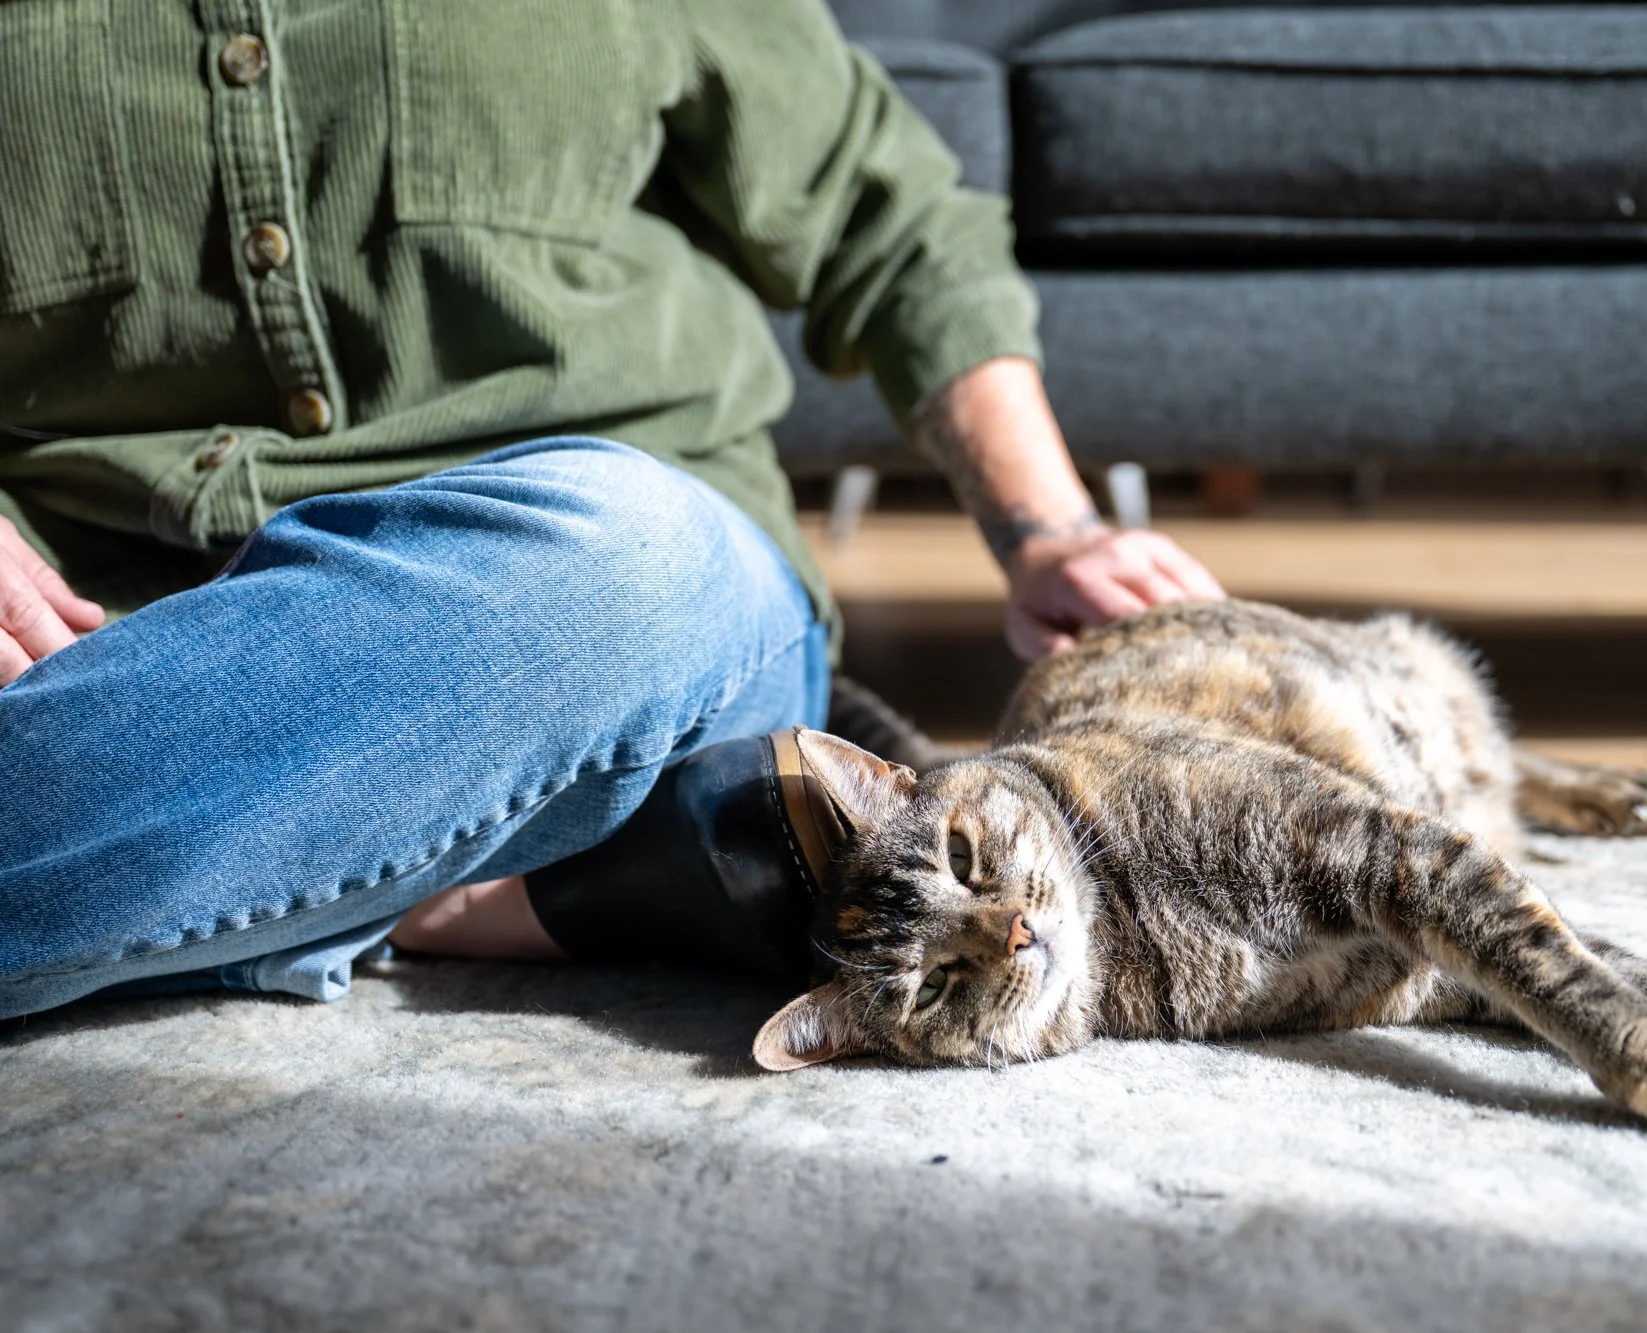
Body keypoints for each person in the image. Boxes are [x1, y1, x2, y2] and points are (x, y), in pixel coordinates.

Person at [0, 0, 1223, 1019]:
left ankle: (254, 868)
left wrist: (1046, 526)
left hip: (606, 606)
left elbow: (882, 215)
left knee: (632, 553)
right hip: (90, 624)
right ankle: (425, 883)